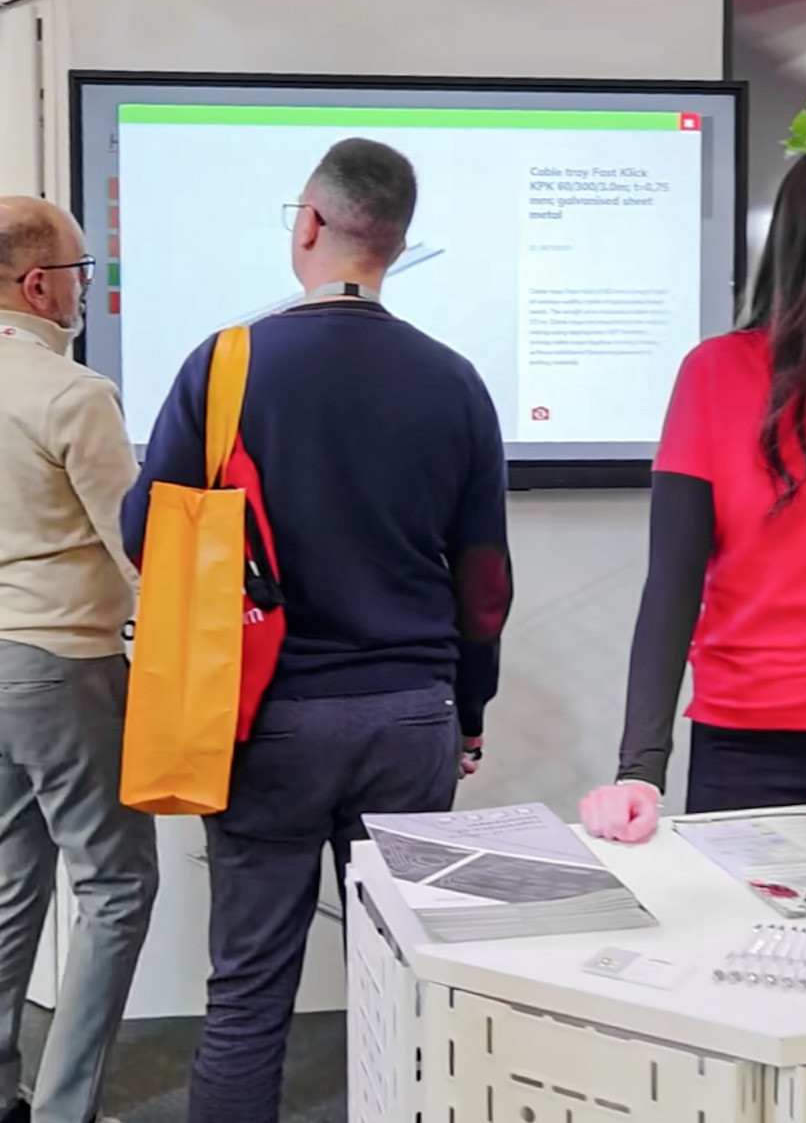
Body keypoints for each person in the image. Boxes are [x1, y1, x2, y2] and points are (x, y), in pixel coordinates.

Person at [121, 137, 513, 1123]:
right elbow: (483, 584)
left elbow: (147, 533)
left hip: (268, 717)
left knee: (249, 986)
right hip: (412, 716)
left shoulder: (227, 364)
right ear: (397, 243)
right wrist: (468, 708)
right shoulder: (455, 378)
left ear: (308, 225)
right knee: (403, 982)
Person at [580, 140, 806, 844]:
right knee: (737, 918)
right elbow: (672, 583)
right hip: (743, 744)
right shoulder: (716, 373)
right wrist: (640, 769)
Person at [0, 198, 158, 1123]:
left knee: (10, 880)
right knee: (116, 885)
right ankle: (67, 1110)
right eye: (81, 272)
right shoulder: (74, 394)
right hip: (65, 663)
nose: (85, 289)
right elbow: (135, 545)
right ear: (38, 285)